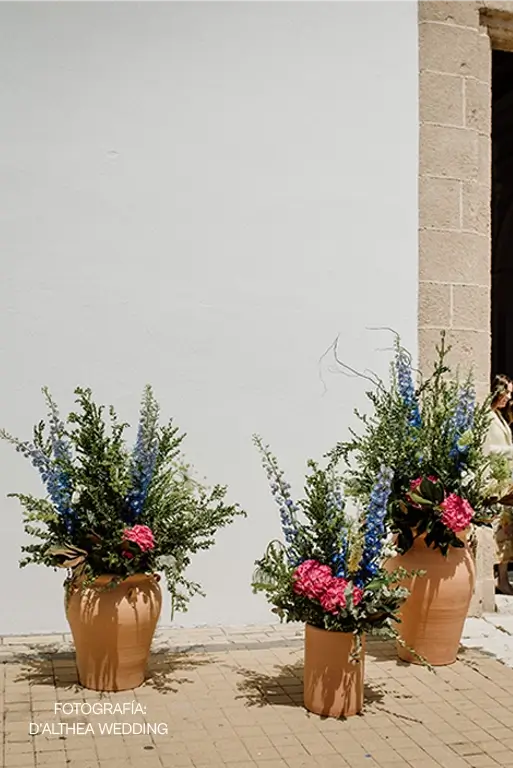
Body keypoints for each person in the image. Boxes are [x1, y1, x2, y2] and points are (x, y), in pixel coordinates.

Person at [484, 373, 513, 595]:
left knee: (505, 533)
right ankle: (497, 579)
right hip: (494, 483)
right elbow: (488, 449)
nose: (509, 398)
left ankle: (503, 579)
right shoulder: (487, 416)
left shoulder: (500, 416)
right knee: (497, 532)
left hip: (505, 482)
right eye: (507, 392)